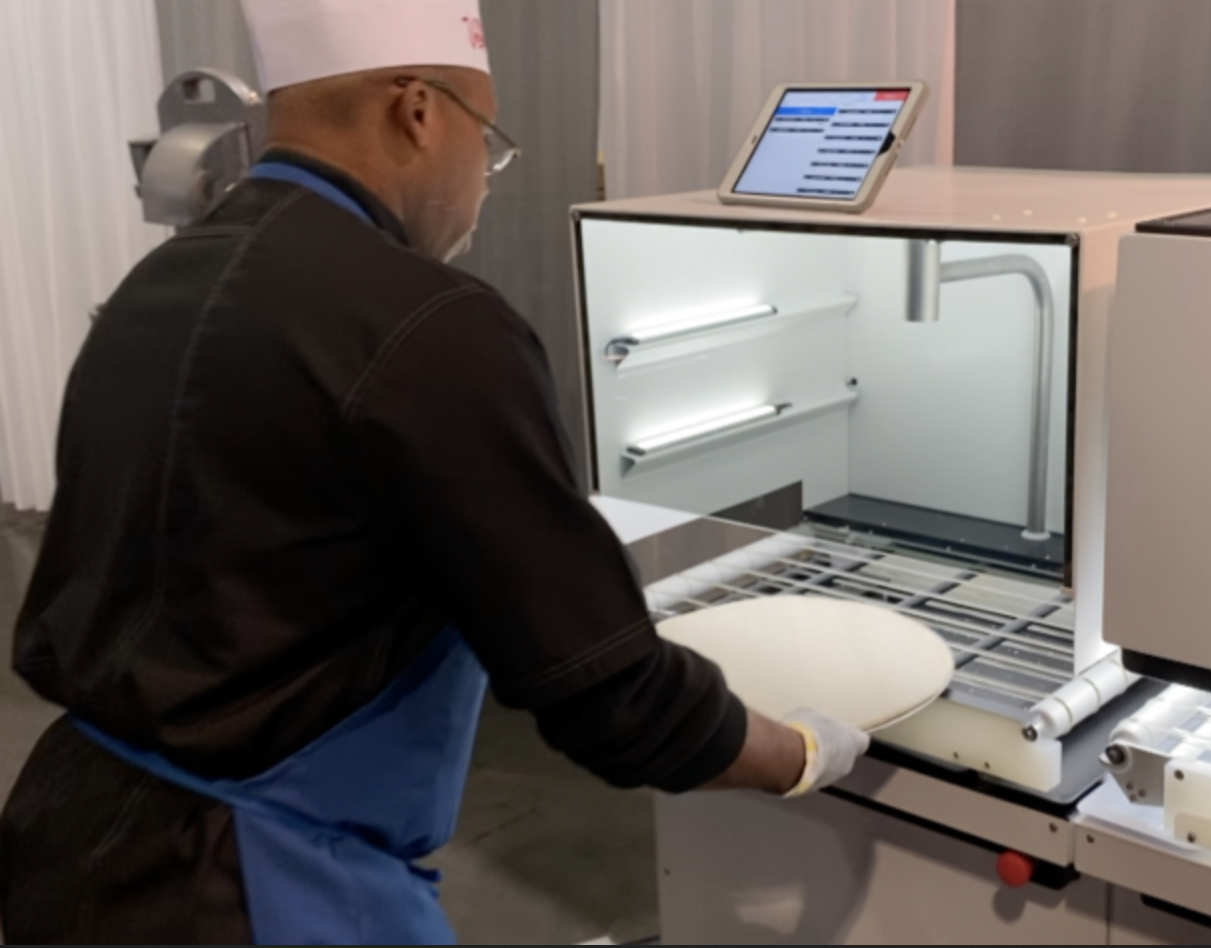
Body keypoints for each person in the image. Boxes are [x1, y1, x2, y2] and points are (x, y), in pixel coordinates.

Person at [0, 0, 869, 943]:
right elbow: (609, 693)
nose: (484, 184)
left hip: (66, 839)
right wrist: (798, 753)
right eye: (487, 143)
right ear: (417, 111)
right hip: (251, 885)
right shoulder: (429, 324)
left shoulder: (160, 284)